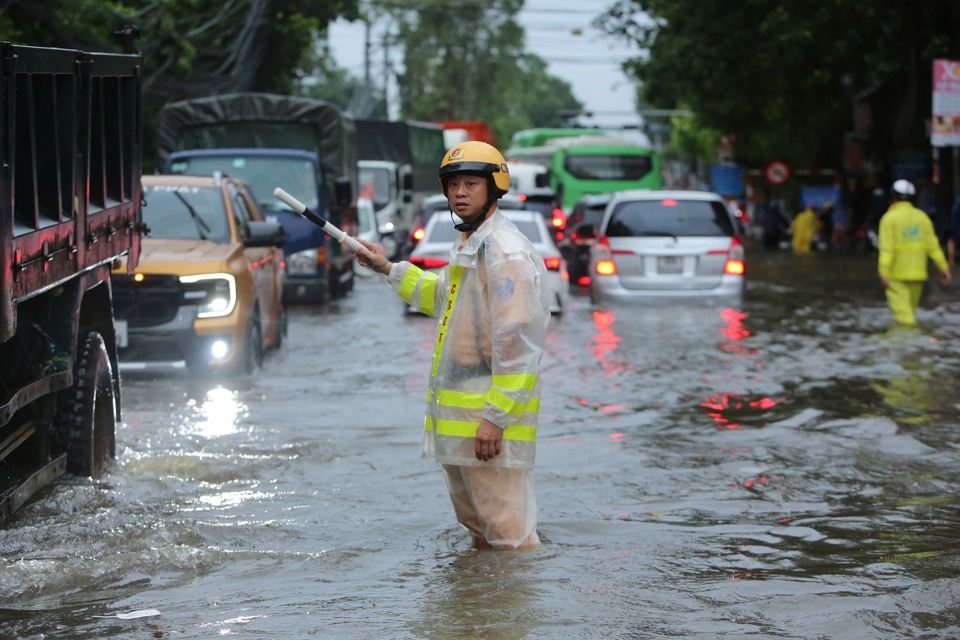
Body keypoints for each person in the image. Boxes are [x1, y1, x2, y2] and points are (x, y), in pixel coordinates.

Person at [353, 141, 551, 550]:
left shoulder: (504, 252)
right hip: (462, 418)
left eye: (471, 184)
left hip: (486, 420)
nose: (460, 192)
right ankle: (478, 609)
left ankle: (512, 613)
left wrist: (496, 418)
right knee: (479, 528)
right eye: (454, 184)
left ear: (495, 187)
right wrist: (388, 268)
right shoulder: (472, 244)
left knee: (509, 535)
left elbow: (517, 341)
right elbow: (444, 298)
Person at [877, 179, 952, 326]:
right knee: (910, 314)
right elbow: (933, 247)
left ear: (893, 197)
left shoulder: (888, 219)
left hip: (896, 278)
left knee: (905, 320)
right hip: (917, 276)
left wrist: (883, 272)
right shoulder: (922, 217)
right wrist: (944, 268)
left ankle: (910, 346)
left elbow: (887, 250)